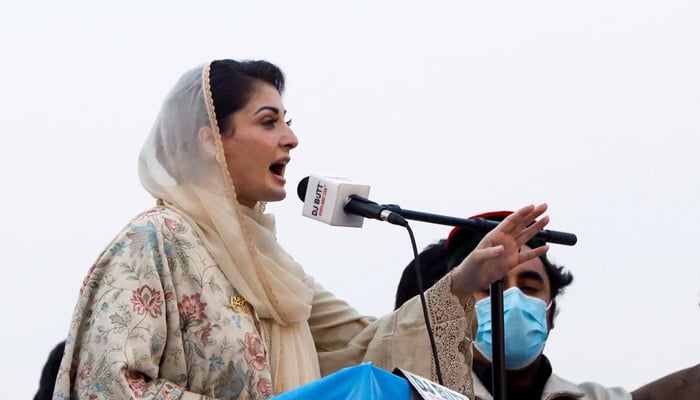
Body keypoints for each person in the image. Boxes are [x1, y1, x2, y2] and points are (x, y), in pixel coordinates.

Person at [52, 59, 552, 400]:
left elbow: (370, 349)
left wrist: (465, 281)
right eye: (268, 122)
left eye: (286, 122)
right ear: (209, 140)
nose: (291, 139)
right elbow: (106, 385)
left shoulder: (276, 270)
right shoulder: (154, 243)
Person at [395, 211, 632, 400]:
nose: (513, 298)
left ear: (551, 313)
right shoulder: (413, 394)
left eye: (529, 287)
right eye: (490, 288)